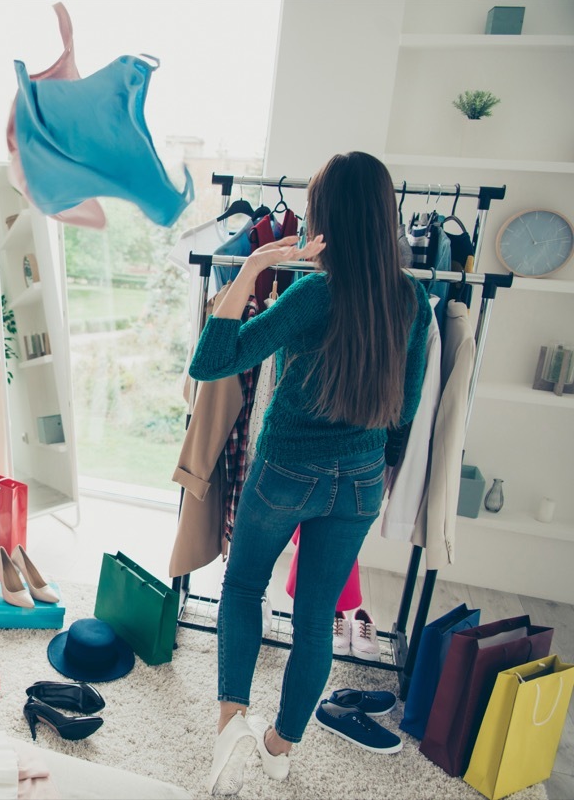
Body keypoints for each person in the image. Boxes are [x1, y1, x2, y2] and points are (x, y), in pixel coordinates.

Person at [189, 152, 431, 795]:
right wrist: (375, 475)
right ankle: (279, 751)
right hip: (358, 481)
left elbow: (214, 361)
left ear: (323, 219)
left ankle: (230, 726)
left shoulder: (311, 293)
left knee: (242, 590)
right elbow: (403, 411)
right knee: (317, 616)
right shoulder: (414, 300)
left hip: (286, 470)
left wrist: (254, 264)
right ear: (385, 218)